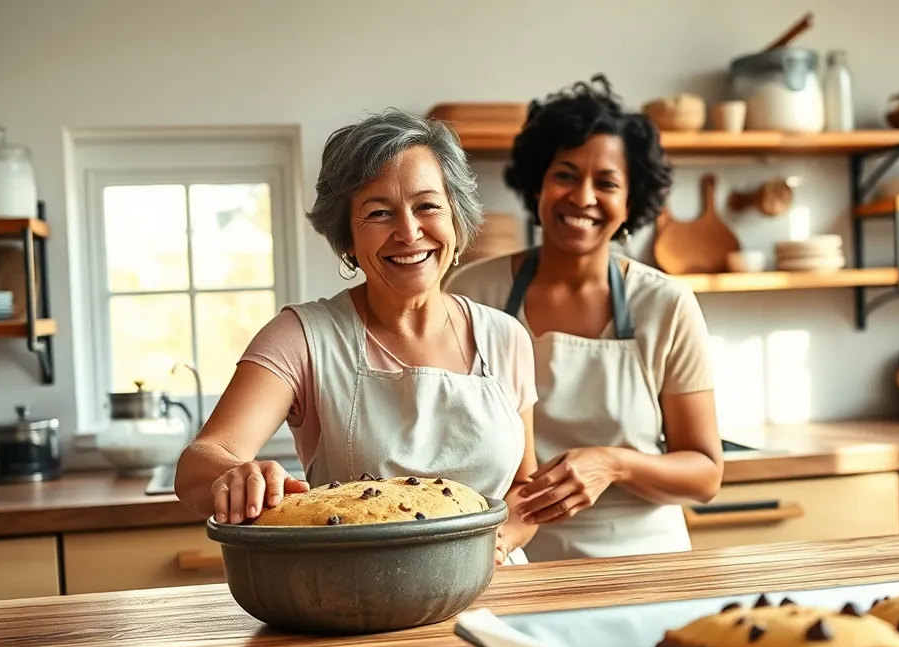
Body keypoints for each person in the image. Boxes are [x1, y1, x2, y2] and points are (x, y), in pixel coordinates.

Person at [175, 109, 537, 565]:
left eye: (427, 206)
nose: (408, 232)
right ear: (347, 237)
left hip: (496, 592)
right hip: (356, 599)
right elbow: (201, 459)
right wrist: (234, 474)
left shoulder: (505, 337)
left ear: (457, 221)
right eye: (379, 213)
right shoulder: (302, 337)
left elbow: (525, 486)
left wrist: (501, 539)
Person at [445, 75, 723, 562]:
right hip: (509, 558)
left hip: (646, 563)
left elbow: (705, 474)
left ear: (632, 201)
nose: (583, 197)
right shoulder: (473, 293)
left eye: (607, 183)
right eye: (566, 175)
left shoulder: (666, 305)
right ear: (538, 184)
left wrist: (614, 464)